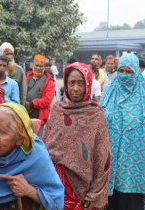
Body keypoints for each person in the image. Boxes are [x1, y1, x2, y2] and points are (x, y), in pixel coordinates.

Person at [43, 62, 111, 209]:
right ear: (65, 85)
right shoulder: (57, 109)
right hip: (53, 184)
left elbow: (102, 157)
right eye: (71, 83)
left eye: (81, 83)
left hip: (82, 188)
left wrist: (95, 193)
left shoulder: (95, 114)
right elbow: (44, 145)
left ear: (88, 85)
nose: (75, 88)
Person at [100, 53, 145, 210]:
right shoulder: (109, 91)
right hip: (111, 160)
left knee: (132, 203)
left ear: (136, 73)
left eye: (129, 72)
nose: (124, 76)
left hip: (135, 164)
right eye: (122, 71)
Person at [25, 55, 55, 136]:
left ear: (45, 67)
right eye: (36, 65)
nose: (38, 68)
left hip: (39, 117)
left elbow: (47, 100)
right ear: (33, 65)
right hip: (25, 114)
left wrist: (31, 104)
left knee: (37, 141)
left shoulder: (50, 82)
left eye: (41, 66)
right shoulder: (27, 77)